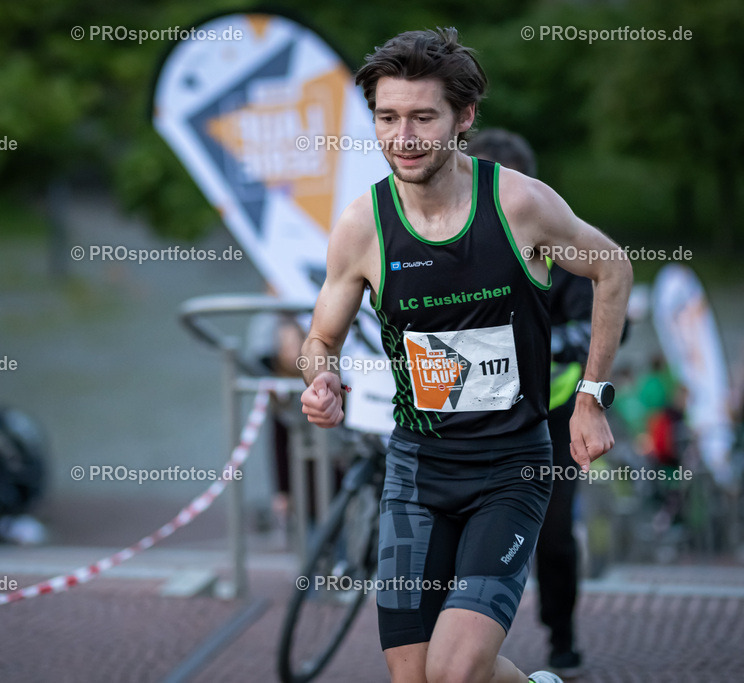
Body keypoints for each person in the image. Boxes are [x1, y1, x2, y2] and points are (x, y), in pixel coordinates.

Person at [298, 28, 632, 683]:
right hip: (418, 473)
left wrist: (590, 398)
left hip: (511, 468)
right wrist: (321, 381)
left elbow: (613, 268)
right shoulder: (362, 225)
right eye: (387, 118)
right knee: (413, 676)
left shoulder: (519, 204)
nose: (404, 136)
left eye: (424, 117)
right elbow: (320, 341)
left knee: (454, 672)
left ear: (464, 119)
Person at [466, 129, 591, 677]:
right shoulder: (450, 240)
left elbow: (601, 324)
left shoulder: (557, 240)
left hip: (551, 418)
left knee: (555, 538)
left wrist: (530, 343)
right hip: (470, 413)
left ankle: (562, 637)